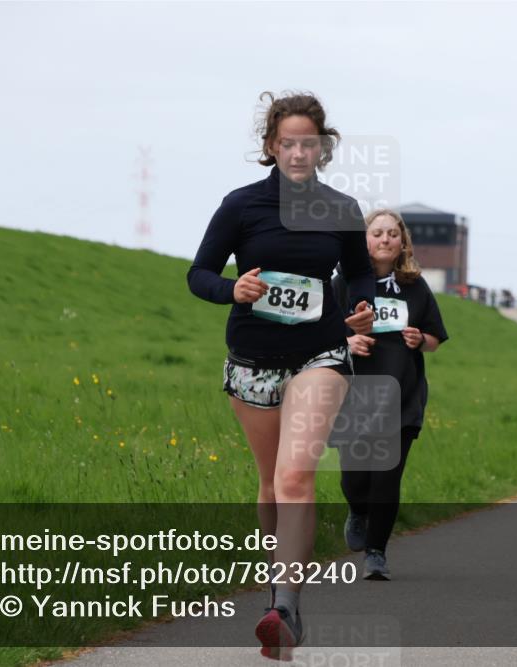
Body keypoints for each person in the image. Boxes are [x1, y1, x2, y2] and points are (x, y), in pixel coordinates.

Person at [187, 91, 375, 659]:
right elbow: (199, 274)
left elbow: (360, 276)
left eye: (308, 144)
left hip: (321, 354)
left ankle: (286, 606)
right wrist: (233, 289)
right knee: (270, 483)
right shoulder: (241, 205)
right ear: (271, 146)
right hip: (252, 359)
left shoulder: (342, 209)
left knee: (295, 476)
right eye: (287, 143)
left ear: (322, 148)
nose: (298, 153)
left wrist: (362, 308)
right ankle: (278, 591)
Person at [334, 209, 448, 581]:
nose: (385, 239)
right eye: (378, 233)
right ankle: (358, 511)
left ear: (402, 243)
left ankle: (376, 553)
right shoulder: (344, 282)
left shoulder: (414, 286)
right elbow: (321, 332)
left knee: (386, 478)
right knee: (355, 480)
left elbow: (434, 338)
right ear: (364, 240)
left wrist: (420, 339)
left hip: (401, 394)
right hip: (352, 396)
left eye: (393, 234)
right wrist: (347, 341)